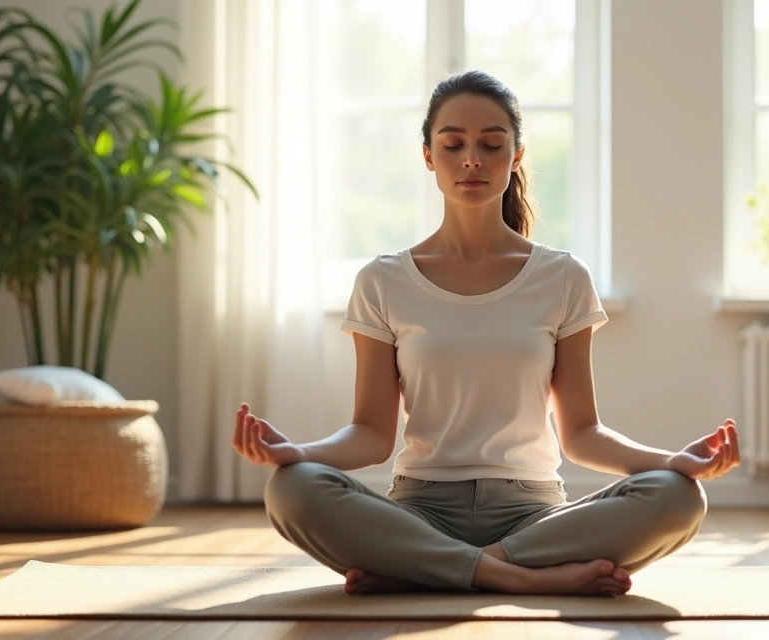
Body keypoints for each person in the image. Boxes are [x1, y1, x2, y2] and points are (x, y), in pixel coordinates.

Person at [231, 70, 741, 597]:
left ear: (516, 155)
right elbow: (371, 434)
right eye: (453, 144)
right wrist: (297, 453)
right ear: (429, 156)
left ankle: (429, 569)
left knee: (679, 497)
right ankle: (517, 578)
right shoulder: (382, 280)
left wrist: (671, 462)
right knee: (291, 489)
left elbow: (582, 434)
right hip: (421, 511)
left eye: (491, 144)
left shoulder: (563, 276)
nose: (471, 159)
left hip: (532, 517)